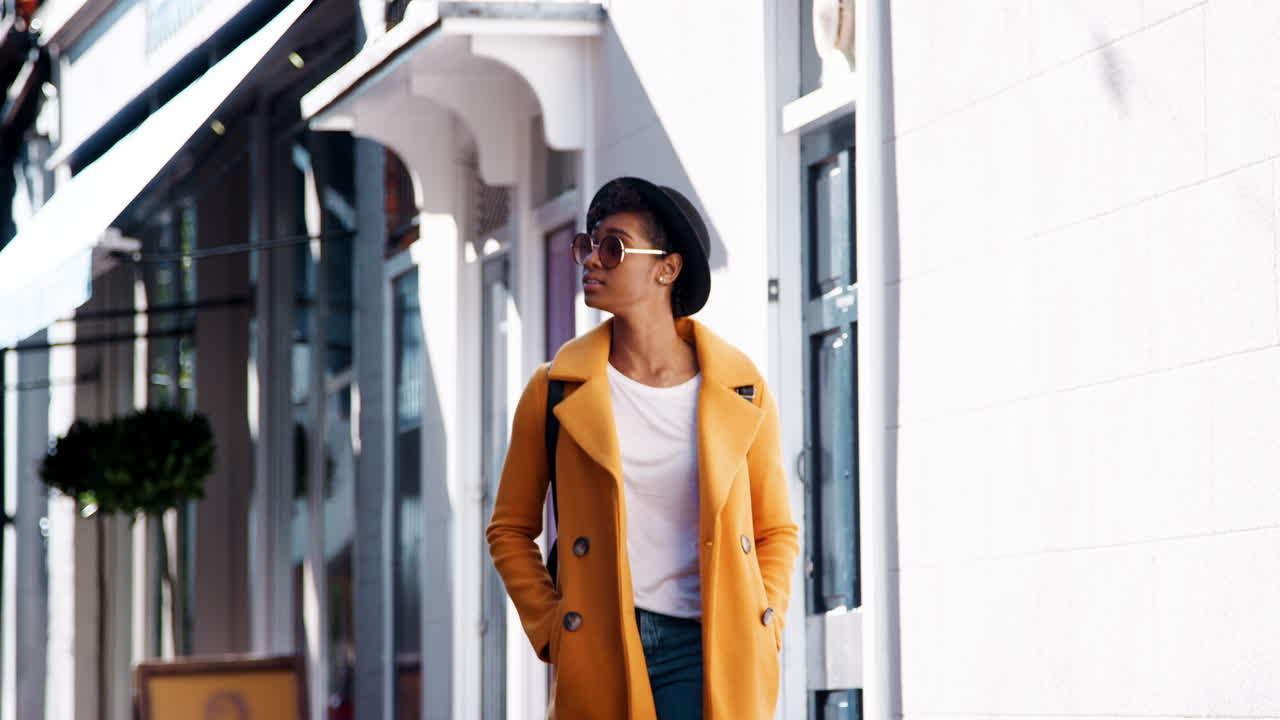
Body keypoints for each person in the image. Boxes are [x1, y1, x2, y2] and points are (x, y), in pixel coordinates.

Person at [485, 177, 799, 719]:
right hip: (601, 643)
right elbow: (509, 529)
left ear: (666, 268)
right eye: (588, 244)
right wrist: (553, 627)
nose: (592, 260)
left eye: (613, 247)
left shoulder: (741, 390)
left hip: (705, 649)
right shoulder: (555, 389)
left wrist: (764, 617)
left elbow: (776, 531)